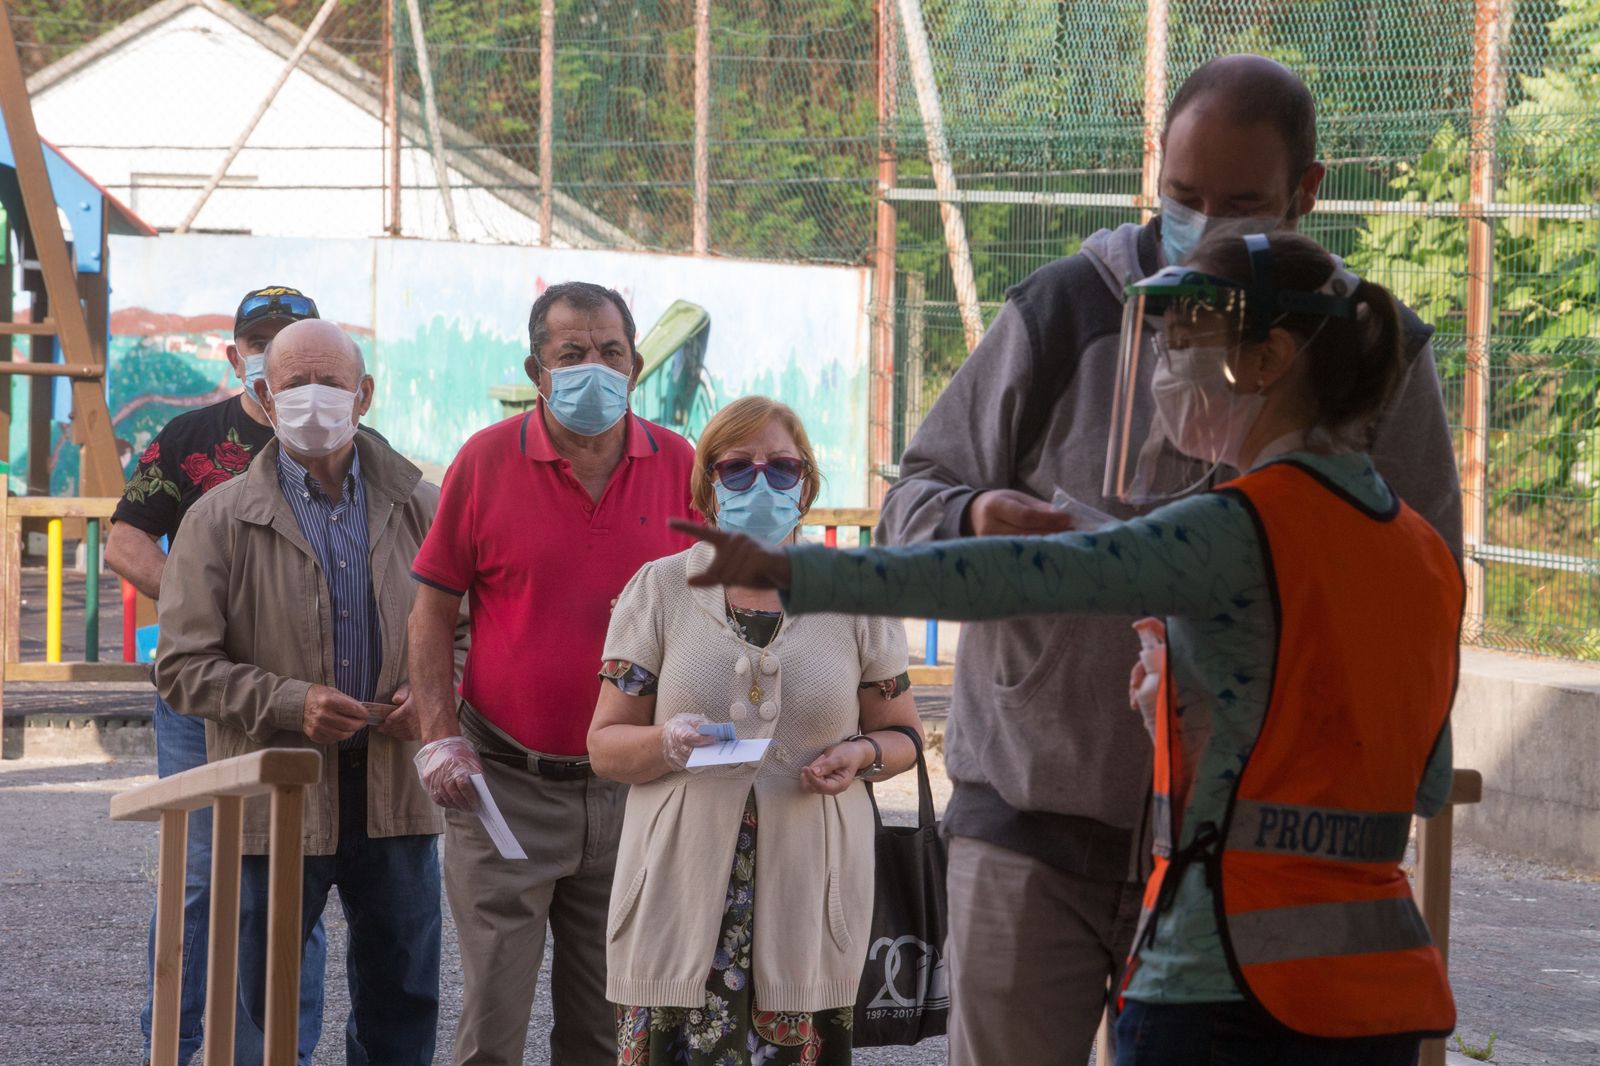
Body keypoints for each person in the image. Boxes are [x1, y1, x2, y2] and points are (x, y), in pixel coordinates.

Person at [676, 230, 1463, 1065]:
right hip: (1376, 984)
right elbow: (1423, 777)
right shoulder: (1420, 550)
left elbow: (1020, 578)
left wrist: (798, 574)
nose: (1166, 371)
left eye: (1186, 345)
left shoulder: (1239, 526)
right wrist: (1208, 704)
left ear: (1267, 359)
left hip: (1228, 978)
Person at [873, 53, 1463, 1063]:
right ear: (1154, 167)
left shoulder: (1367, 349)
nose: (1204, 224)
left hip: (1244, 880)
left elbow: (1424, 581)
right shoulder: (1064, 310)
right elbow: (908, 505)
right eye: (1183, 196)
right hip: (1031, 825)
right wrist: (976, 520)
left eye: (1242, 202)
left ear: (1306, 192)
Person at [156, 319, 464, 1066]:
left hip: (396, 794)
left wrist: (434, 694)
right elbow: (182, 667)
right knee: (261, 1008)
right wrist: (293, 704)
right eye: (296, 385)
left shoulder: (424, 507)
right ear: (263, 396)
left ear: (365, 393)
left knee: (403, 999)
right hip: (276, 799)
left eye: (333, 383)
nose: (317, 400)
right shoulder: (219, 519)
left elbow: (470, 633)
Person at [408, 281, 699, 1066]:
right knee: (493, 1027)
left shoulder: (681, 465)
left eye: (611, 352)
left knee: (607, 1030)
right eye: (572, 354)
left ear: (635, 363)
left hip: (632, 790)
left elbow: (715, 610)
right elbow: (431, 614)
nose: (594, 368)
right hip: (504, 788)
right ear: (537, 370)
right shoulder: (485, 461)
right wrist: (439, 739)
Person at [587, 396, 923, 1065]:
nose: (760, 483)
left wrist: (859, 754)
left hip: (809, 896)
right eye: (736, 468)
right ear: (708, 485)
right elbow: (605, 745)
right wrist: (665, 743)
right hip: (677, 897)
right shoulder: (658, 590)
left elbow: (906, 738)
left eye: (781, 466)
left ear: (807, 482)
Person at [106, 285, 328, 1065]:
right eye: (259, 340)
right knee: (203, 875)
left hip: (305, 699)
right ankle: (174, 1042)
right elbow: (126, 542)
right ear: (236, 355)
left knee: (298, 872)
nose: (275, 352)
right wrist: (203, 601)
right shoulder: (189, 436)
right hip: (202, 692)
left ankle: (283, 1050)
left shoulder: (341, 440)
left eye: (292, 337)